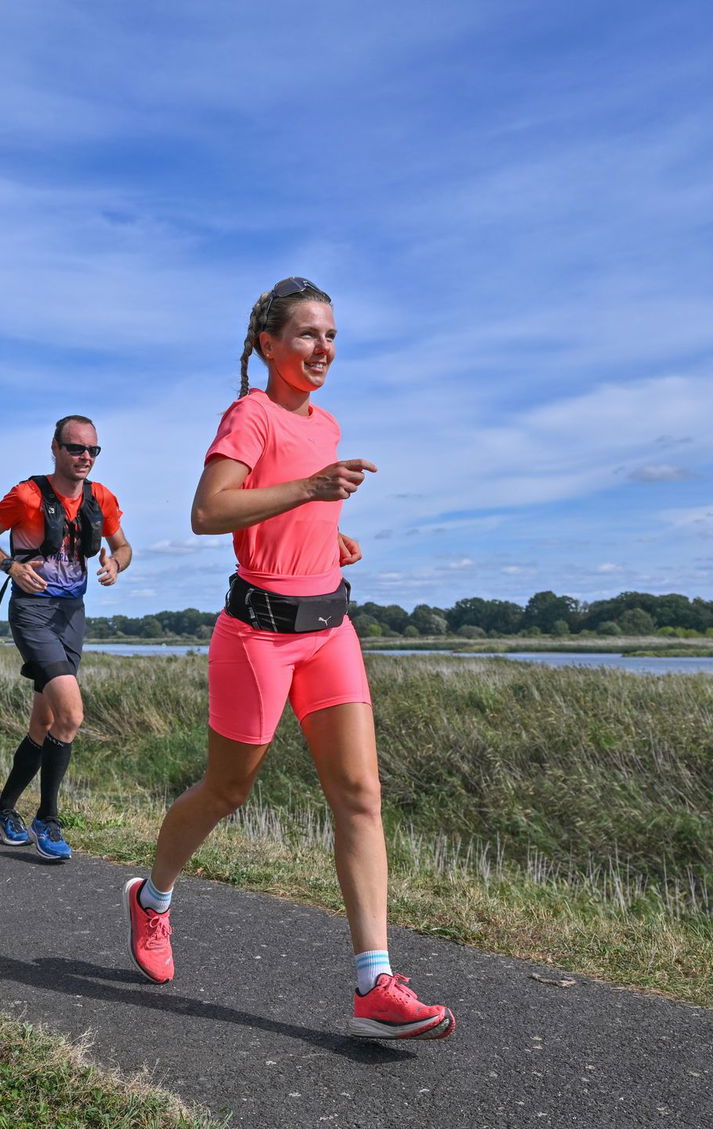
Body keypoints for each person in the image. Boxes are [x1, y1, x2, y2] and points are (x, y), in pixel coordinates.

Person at [123, 277, 453, 1041]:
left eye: (332, 335)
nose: (323, 348)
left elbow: (289, 510)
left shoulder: (328, 424)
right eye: (307, 334)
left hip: (330, 625)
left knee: (361, 794)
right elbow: (210, 511)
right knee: (226, 789)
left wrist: (323, 536)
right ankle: (153, 897)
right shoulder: (251, 415)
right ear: (268, 343)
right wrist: (307, 489)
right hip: (258, 632)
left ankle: (374, 982)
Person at [0, 415, 131, 862]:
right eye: (76, 448)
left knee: (44, 724)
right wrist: (11, 566)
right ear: (55, 448)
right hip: (33, 612)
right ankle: (47, 819)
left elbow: (124, 547)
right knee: (72, 715)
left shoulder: (101, 497)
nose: (85, 458)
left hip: (71, 615)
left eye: (93, 451)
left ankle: (2, 809)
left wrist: (116, 564)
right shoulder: (27, 496)